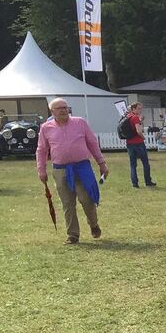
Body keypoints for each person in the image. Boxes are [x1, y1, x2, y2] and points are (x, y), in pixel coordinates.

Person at [36, 98, 109, 244]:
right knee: (67, 204)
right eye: (59, 108)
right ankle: (73, 235)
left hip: (82, 167)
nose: (63, 110)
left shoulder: (80, 122)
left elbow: (92, 143)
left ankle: (93, 224)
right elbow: (42, 150)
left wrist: (101, 163)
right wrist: (41, 170)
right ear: (52, 111)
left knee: (87, 200)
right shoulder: (46, 128)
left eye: (65, 107)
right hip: (60, 169)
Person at [124, 102, 156, 187]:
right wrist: (143, 137)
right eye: (138, 108)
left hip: (129, 143)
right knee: (145, 163)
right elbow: (138, 131)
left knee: (133, 165)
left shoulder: (128, 117)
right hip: (138, 143)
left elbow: (132, 128)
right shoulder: (135, 117)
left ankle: (135, 183)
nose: (140, 110)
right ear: (133, 109)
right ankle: (148, 181)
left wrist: (140, 121)